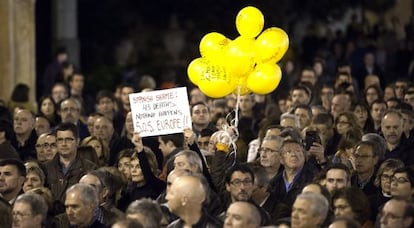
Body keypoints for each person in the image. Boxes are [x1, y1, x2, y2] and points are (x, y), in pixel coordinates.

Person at [43, 123, 97, 203]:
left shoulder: (89, 168)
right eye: (60, 140)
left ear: (77, 141)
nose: (64, 144)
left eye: (68, 139)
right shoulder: (45, 168)